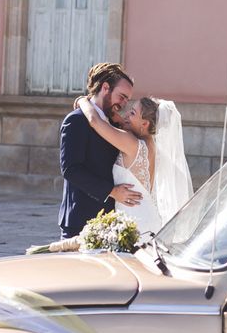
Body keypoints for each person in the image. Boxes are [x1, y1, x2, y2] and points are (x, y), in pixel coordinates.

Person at [77, 96, 193, 234]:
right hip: (147, 218)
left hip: (134, 223)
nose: (125, 115)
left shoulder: (132, 144)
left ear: (145, 124)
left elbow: (95, 121)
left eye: (132, 113)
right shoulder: (153, 146)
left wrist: (82, 101)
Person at [58, 63, 141, 239]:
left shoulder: (115, 123)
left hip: (111, 221)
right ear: (105, 88)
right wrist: (111, 191)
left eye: (127, 99)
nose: (124, 103)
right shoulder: (76, 120)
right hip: (80, 220)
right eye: (122, 97)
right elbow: (71, 170)